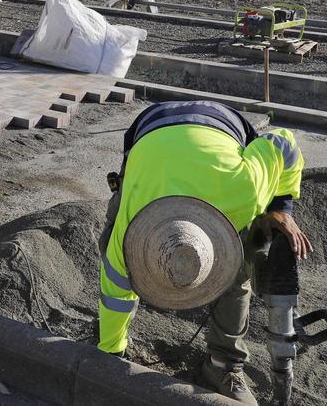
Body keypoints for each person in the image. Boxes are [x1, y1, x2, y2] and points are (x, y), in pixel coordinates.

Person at [98, 100, 309, 405]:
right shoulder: (128, 233)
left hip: (222, 127)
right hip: (149, 127)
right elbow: (115, 296)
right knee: (113, 232)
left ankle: (223, 365)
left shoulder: (245, 190)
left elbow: (284, 144)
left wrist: (279, 208)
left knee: (241, 263)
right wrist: (110, 355)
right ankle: (111, 341)